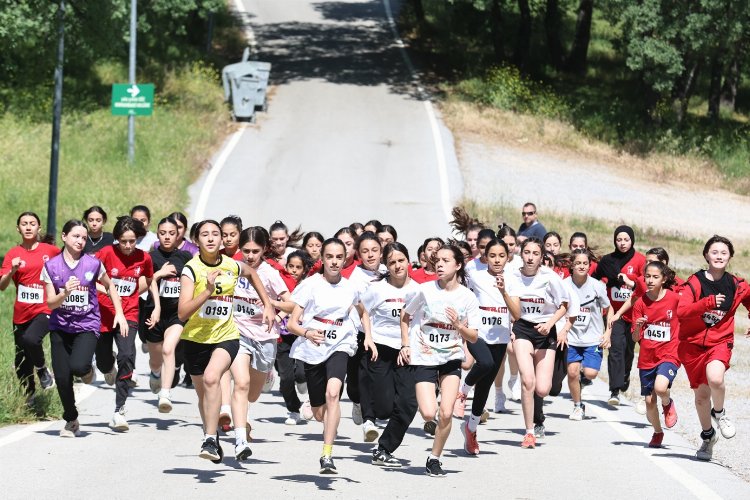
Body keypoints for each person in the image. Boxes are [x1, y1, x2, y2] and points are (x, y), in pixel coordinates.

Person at [177, 220, 273, 462]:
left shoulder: (232, 265)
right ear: (196, 241)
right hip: (195, 339)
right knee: (204, 396)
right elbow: (182, 313)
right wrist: (208, 290)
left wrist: (268, 304)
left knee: (212, 378)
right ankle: (212, 437)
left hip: (226, 336)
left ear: (222, 240)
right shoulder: (191, 270)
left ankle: (209, 438)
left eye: (215, 234)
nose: (210, 238)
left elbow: (251, 273)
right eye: (205, 235)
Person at [287, 237, 373, 474]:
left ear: (345, 258)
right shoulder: (310, 285)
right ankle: (320, 415)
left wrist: (368, 336)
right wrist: (307, 332)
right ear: (322, 259)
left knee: (333, 393)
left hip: (341, 342)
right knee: (318, 412)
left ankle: (327, 454)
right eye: (329, 257)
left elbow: (362, 310)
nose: (334, 262)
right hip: (314, 345)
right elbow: (292, 323)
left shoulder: (350, 286)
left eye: (339, 257)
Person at [400, 245, 480, 477]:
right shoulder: (425, 290)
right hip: (424, 357)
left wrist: (459, 326)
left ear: (458, 265)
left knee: (446, 413)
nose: (440, 264)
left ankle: (434, 458)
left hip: (450, 358)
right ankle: (432, 421)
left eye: (446, 260)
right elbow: (405, 317)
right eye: (437, 260)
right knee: (428, 413)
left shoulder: (467, 297)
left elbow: (473, 336)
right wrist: (406, 344)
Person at [42, 219, 127, 437]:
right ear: (64, 237)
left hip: (87, 324)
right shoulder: (51, 266)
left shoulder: (92, 263)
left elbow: (110, 286)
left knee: (79, 367)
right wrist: (64, 294)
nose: (80, 241)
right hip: (60, 327)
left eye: (83, 237)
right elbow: (50, 303)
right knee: (61, 377)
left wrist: (119, 313)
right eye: (75, 236)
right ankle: (71, 419)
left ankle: (88, 369)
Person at [677, 235, 750, 461]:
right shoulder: (695, 282)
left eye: (724, 253)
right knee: (701, 397)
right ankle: (708, 437)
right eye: (714, 252)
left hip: (720, 341)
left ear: (729, 257)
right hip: (692, 345)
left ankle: (719, 413)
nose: (719, 256)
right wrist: (706, 303)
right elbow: (682, 312)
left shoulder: (737, 285)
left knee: (716, 379)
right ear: (706, 255)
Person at [230, 226, 293, 451]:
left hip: (265, 337)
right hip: (238, 332)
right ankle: (240, 437)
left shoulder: (269, 273)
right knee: (241, 383)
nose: (250, 256)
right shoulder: (233, 268)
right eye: (246, 250)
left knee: (254, 394)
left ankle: (267, 374)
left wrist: (271, 305)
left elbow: (291, 304)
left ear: (264, 249)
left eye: (255, 251)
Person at [507, 238, 570, 449]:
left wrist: (550, 323)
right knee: (528, 381)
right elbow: (510, 307)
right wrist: (510, 330)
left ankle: (535, 404)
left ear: (541, 257)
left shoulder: (550, 277)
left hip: (545, 332)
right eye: (527, 252)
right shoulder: (513, 276)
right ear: (521, 254)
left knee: (542, 389)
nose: (530, 257)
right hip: (523, 329)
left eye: (535, 253)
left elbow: (564, 305)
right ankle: (529, 431)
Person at [457, 238, 517, 455]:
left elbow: (517, 314)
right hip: (477, 333)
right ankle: (462, 392)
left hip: (500, 337)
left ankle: (470, 429)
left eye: (502, 255)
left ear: (508, 257)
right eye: (492, 256)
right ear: (486, 257)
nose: (497, 260)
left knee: (485, 386)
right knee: (485, 363)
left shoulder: (513, 279)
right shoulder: (475, 275)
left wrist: (504, 293)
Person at [363, 242, 420, 467]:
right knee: (385, 407)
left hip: (407, 350)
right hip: (381, 349)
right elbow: (361, 310)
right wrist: (367, 336)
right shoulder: (378, 289)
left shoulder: (417, 290)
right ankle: (371, 415)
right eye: (392, 262)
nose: (397, 266)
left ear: (408, 261)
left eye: (400, 261)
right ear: (386, 265)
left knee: (408, 403)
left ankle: (384, 448)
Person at [95, 216, 154, 431]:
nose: (128, 246)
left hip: (128, 314)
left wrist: (139, 298)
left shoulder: (144, 258)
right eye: (123, 241)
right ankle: (107, 364)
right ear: (117, 239)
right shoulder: (105, 254)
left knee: (127, 356)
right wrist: (111, 293)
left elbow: (149, 279)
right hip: (103, 313)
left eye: (132, 241)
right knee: (102, 363)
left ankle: (119, 410)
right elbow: (90, 278)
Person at [0, 212, 60, 402]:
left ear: (38, 228)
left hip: (44, 308)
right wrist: (12, 270)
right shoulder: (13, 254)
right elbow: (2, 285)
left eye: (32, 223)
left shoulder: (49, 251)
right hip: (21, 312)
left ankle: (42, 369)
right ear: (18, 229)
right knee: (21, 359)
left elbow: (67, 263)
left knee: (32, 339)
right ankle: (30, 395)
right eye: (24, 224)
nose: (28, 227)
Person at [145, 216, 194, 413]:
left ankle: (165, 394)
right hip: (154, 313)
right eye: (163, 233)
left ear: (178, 235)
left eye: (171, 233)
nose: (167, 237)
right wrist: (158, 275)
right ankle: (156, 373)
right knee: (156, 359)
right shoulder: (149, 258)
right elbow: (147, 283)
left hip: (176, 314)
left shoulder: (185, 257)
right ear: (157, 235)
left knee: (168, 349)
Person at [593, 225, 645, 406]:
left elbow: (644, 286)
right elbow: (594, 277)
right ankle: (614, 390)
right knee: (615, 348)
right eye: (619, 240)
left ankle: (624, 376)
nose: (622, 243)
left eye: (626, 240)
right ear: (614, 241)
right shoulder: (608, 260)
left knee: (628, 351)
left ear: (632, 240)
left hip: (634, 313)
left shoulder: (640, 260)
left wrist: (629, 282)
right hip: (614, 314)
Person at [632, 261, 681, 448]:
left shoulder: (675, 299)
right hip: (647, 357)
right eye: (647, 277)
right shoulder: (640, 303)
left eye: (655, 277)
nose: (650, 280)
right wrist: (638, 326)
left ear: (664, 279)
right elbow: (636, 338)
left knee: (661, 388)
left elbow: (690, 313)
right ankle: (657, 432)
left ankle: (668, 404)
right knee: (649, 401)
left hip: (670, 353)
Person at [347, 232, 386, 441]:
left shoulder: (389, 271)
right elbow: (357, 310)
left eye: (374, 250)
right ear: (358, 254)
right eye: (365, 251)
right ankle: (356, 401)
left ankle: (370, 418)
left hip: (385, 336)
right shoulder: (356, 277)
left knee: (372, 378)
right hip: (360, 333)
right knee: (355, 382)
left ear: (381, 251)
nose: (370, 255)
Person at [563, 249, 610, 421]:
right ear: (572, 265)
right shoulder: (564, 285)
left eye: (585, 263)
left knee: (590, 373)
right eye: (578, 263)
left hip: (593, 338)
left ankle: (581, 380)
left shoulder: (597, 286)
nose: (581, 266)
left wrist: (608, 332)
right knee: (573, 372)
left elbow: (609, 308)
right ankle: (577, 406)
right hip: (572, 337)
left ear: (590, 266)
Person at [276, 250, 313, 423]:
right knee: (286, 378)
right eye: (291, 266)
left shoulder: (310, 285)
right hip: (283, 336)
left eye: (298, 267)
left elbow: (295, 307)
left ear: (305, 269)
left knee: (301, 374)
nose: (294, 270)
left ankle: (305, 388)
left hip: (303, 335)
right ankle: (293, 409)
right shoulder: (280, 282)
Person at [494, 223, 521, 407]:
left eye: (512, 244)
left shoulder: (520, 262)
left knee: (513, 349)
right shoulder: (493, 261)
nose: (509, 248)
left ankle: (514, 378)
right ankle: (498, 394)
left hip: (515, 311)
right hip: (495, 312)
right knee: (499, 357)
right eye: (505, 244)